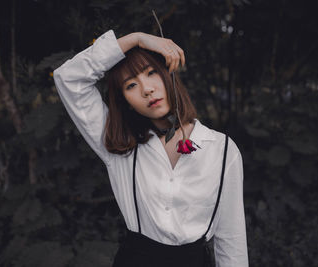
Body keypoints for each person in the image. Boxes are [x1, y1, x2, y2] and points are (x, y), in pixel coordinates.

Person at [53, 29, 248, 267]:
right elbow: (69, 78)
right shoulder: (121, 147)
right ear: (127, 102)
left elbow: (231, 241)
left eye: (151, 73)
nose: (146, 89)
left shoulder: (223, 150)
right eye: (131, 85)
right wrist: (136, 38)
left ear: (170, 73)